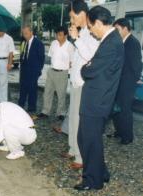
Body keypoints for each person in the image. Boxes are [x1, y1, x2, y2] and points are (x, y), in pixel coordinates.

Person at [75, 6, 124, 191]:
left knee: (89, 140)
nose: (90, 30)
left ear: (97, 23)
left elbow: (91, 69)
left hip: (97, 101)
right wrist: (89, 65)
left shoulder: (111, 43)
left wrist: (84, 68)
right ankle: (100, 171)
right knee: (88, 139)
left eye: (90, 26)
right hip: (97, 100)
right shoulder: (110, 40)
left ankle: (92, 181)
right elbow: (94, 65)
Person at [64, 0, 99, 170]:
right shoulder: (82, 32)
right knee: (72, 118)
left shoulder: (91, 33)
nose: (72, 20)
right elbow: (78, 56)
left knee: (79, 122)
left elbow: (90, 56)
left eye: (72, 16)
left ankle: (80, 156)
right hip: (76, 80)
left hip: (84, 83)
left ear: (82, 14)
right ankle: (72, 148)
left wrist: (76, 39)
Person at [109, 18, 143, 144]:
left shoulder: (133, 43)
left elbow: (137, 65)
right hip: (118, 82)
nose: (116, 32)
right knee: (116, 108)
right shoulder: (121, 41)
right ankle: (119, 131)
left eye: (117, 29)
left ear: (124, 28)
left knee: (125, 110)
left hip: (127, 83)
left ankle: (127, 137)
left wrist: (132, 82)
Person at [38, 26, 74, 120]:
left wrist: (68, 72)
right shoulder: (53, 43)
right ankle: (45, 111)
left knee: (61, 94)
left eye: (60, 35)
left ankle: (61, 113)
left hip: (62, 73)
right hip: (51, 71)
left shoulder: (70, 46)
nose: (58, 37)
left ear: (66, 35)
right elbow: (50, 56)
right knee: (47, 92)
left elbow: (72, 61)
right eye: (57, 34)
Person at [18, 25, 45, 114]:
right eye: (23, 33)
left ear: (31, 32)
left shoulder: (38, 43)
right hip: (24, 70)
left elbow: (41, 59)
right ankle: (20, 105)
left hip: (33, 71)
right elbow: (22, 55)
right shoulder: (24, 42)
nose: (24, 35)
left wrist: (38, 71)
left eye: (26, 33)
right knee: (22, 88)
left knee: (32, 89)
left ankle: (31, 107)